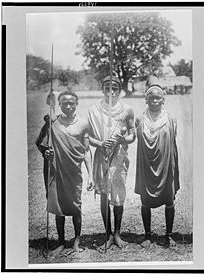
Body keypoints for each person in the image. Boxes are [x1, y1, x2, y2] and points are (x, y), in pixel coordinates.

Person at [36, 90, 94, 253]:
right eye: (64, 103)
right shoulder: (52, 122)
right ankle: (61, 242)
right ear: (59, 104)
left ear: (76, 104)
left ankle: (77, 241)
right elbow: (40, 143)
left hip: (74, 171)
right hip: (56, 170)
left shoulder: (83, 124)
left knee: (76, 205)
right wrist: (45, 152)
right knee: (58, 205)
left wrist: (91, 175)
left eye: (71, 103)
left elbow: (86, 150)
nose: (68, 106)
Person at [88, 76, 135, 249]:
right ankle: (107, 234)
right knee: (104, 195)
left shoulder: (127, 109)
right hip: (102, 156)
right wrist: (100, 144)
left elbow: (132, 134)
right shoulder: (94, 110)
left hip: (119, 157)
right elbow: (88, 137)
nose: (111, 91)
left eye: (114, 88)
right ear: (102, 89)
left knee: (118, 194)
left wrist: (124, 140)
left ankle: (117, 234)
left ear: (120, 90)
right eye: (107, 88)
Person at [135, 84, 180, 248]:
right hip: (146, 165)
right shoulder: (140, 119)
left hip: (166, 164)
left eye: (158, 97)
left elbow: (173, 142)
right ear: (146, 100)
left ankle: (169, 235)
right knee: (145, 200)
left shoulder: (170, 118)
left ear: (163, 100)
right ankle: (147, 235)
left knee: (169, 199)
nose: (155, 100)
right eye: (151, 97)